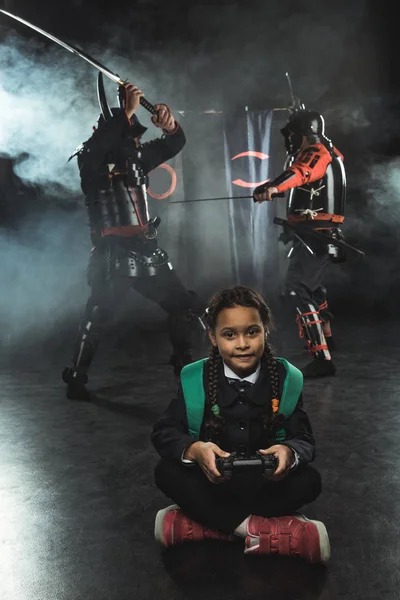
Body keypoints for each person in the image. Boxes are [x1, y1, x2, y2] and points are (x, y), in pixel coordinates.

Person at [151, 285, 329, 562]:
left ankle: (209, 525)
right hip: (213, 483)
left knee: (310, 481)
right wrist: (195, 449)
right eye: (229, 334)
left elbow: (304, 439)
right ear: (213, 337)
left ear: (265, 330)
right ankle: (260, 530)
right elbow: (164, 432)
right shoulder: (194, 378)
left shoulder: (287, 378)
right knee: (165, 471)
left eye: (252, 332)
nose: (242, 344)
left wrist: (289, 453)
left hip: (264, 484)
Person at [62, 83, 197, 400]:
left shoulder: (137, 160)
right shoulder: (91, 163)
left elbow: (175, 141)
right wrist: (125, 112)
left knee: (182, 305)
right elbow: (98, 148)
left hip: (147, 251)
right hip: (113, 255)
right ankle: (77, 378)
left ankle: (184, 368)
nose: (137, 140)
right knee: (96, 315)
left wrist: (169, 125)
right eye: (131, 133)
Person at [253, 109, 346, 378]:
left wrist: (272, 187)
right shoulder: (329, 150)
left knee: (296, 290)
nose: (289, 139)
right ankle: (327, 337)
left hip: (317, 234)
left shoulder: (317, 152)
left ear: (304, 134)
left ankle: (322, 357)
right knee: (313, 288)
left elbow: (302, 172)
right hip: (313, 232)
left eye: (293, 133)